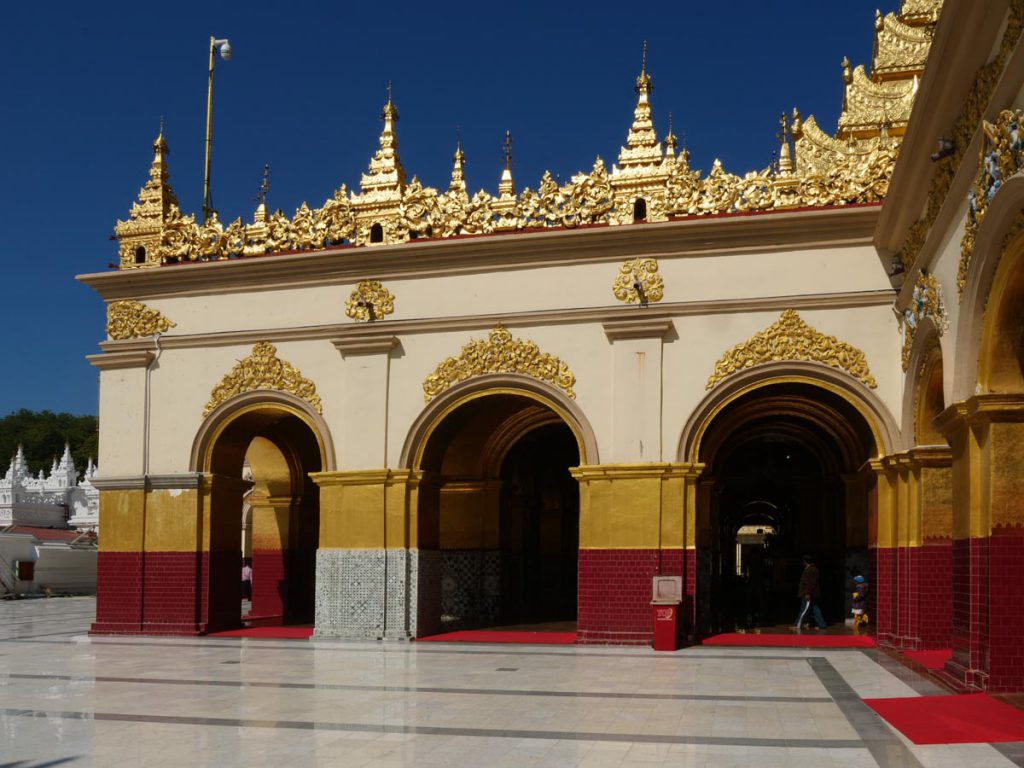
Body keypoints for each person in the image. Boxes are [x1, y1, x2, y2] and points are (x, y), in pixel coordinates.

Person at [795, 554, 826, 630]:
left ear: (806, 561)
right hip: (810, 593)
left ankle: (798, 624)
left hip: (808, 593)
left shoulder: (811, 570)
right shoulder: (809, 569)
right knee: (815, 609)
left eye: (803, 561)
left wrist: (808, 593)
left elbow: (811, 583)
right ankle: (822, 624)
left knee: (803, 609)